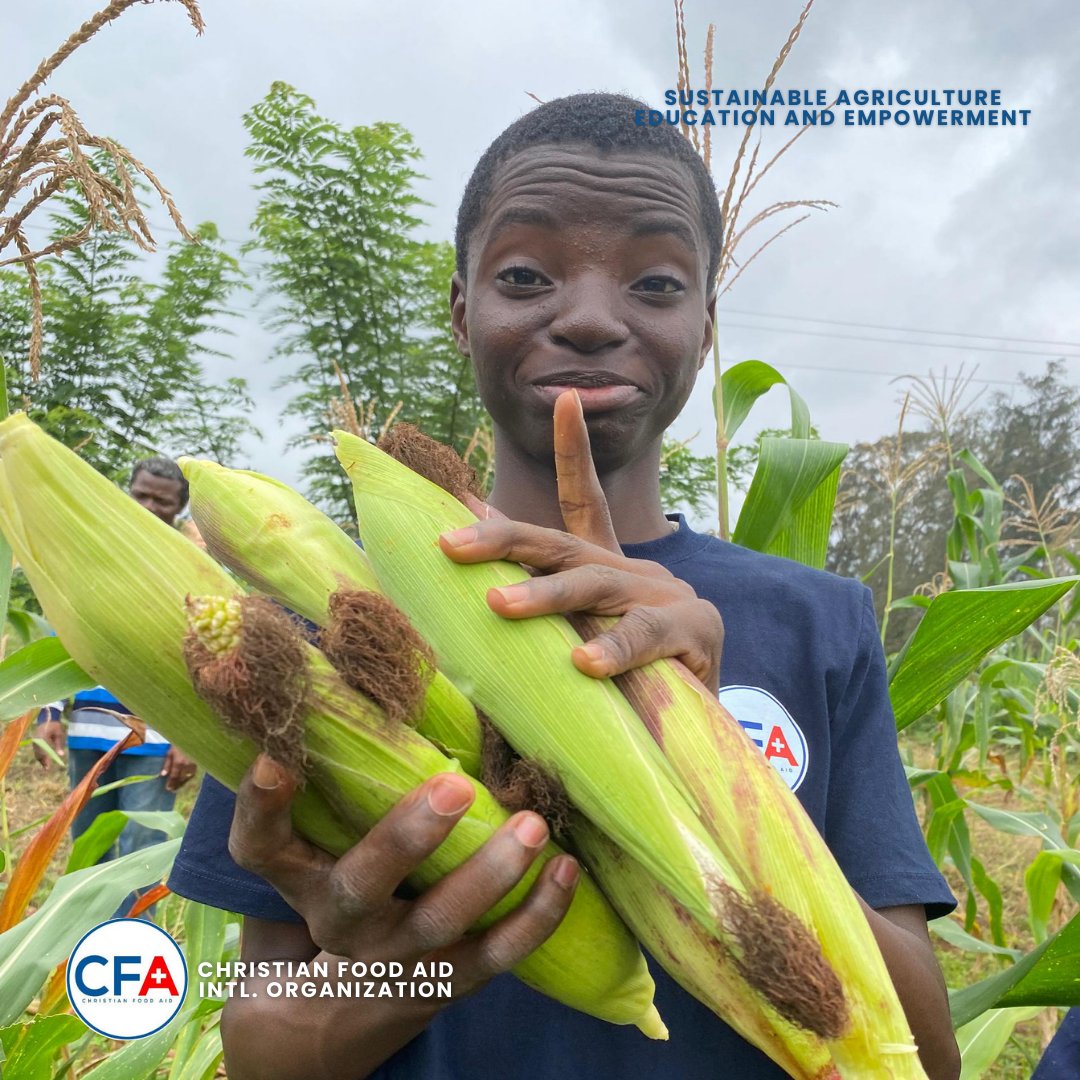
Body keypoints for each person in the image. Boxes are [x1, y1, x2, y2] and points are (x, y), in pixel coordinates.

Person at [168, 93, 961, 1078]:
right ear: (463, 310)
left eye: (658, 282)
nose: (588, 317)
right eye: (527, 274)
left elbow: (924, 1054)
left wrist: (702, 745)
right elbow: (262, 1051)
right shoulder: (316, 630)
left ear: (706, 327)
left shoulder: (819, 622)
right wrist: (395, 978)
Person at [35, 456, 199, 915]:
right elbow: (60, 633)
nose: (147, 507)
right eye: (140, 495)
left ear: (178, 509)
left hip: (154, 735)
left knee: (140, 854)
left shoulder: (184, 565)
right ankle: (79, 946)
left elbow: (199, 653)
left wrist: (189, 740)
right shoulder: (92, 555)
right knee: (86, 848)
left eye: (160, 502)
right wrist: (49, 712)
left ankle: (136, 954)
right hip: (89, 730)